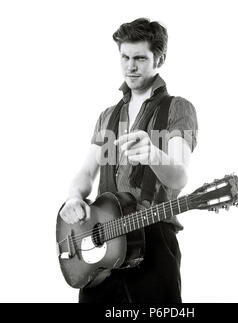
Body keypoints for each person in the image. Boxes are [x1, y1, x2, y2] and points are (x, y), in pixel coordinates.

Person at [59, 18, 198, 303]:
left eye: (140, 58)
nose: (130, 67)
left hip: (153, 241)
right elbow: (86, 173)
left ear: (159, 58)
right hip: (102, 241)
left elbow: (180, 176)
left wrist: (153, 154)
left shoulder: (177, 108)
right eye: (124, 57)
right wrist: (74, 197)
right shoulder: (108, 115)